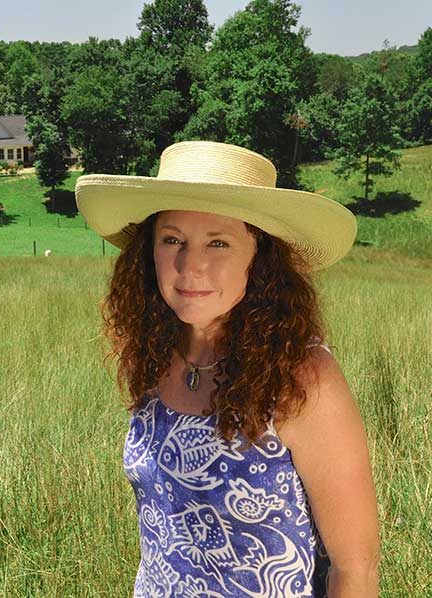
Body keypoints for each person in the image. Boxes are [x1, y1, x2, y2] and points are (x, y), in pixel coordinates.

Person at [75, 141, 380, 597]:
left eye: (218, 242)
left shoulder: (301, 377)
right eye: (172, 239)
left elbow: (355, 567)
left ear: (260, 258)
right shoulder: (150, 355)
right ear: (149, 252)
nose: (189, 265)